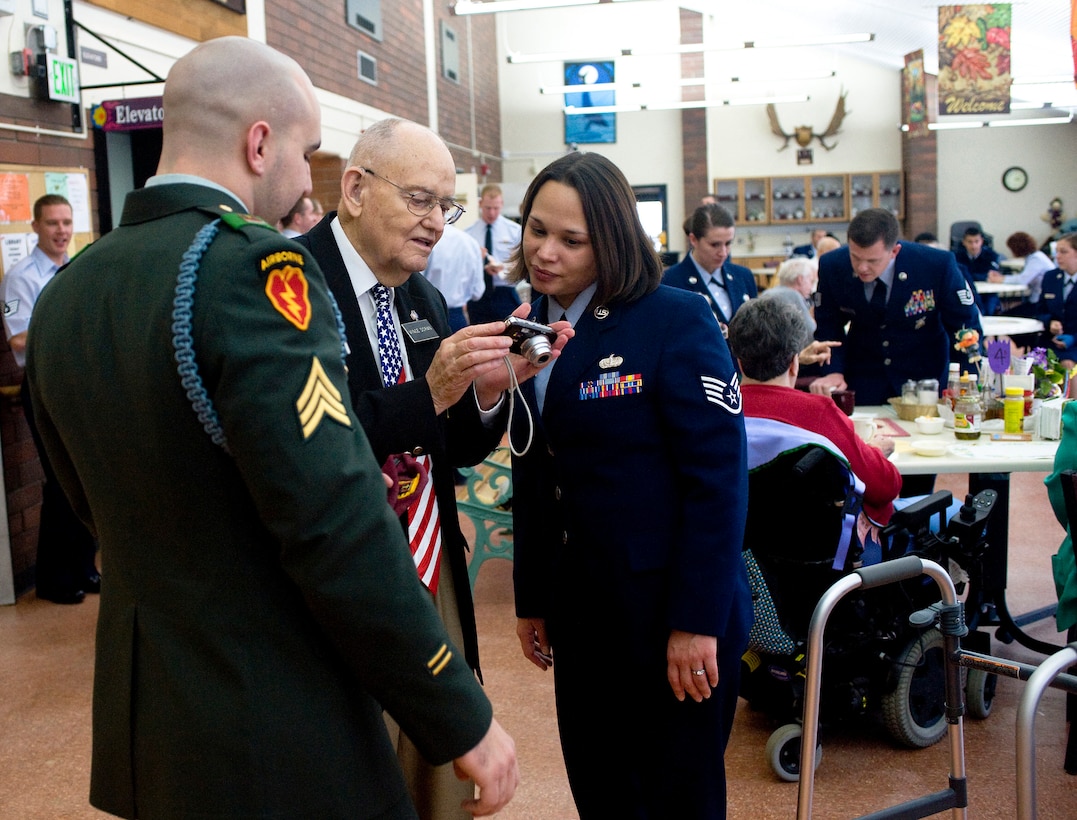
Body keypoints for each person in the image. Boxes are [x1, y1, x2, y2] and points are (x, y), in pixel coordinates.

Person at [24, 37, 518, 819]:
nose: (301, 176)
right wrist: (453, 707)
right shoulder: (254, 271)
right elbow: (333, 518)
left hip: (152, 715)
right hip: (274, 713)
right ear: (260, 143)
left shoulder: (69, 291)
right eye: (306, 150)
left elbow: (81, 496)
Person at [296, 117, 570, 820]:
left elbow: (448, 445)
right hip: (339, 572)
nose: (435, 225)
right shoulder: (289, 288)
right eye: (420, 199)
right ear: (354, 188)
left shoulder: (420, 299)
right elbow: (309, 443)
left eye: (444, 208)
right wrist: (434, 391)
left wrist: (486, 390)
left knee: (432, 771)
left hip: (429, 561)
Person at [508, 152, 752, 819]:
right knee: (604, 790)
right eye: (535, 230)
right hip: (582, 606)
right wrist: (531, 594)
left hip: (667, 611)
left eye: (569, 240)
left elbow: (717, 481)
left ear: (611, 240)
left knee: (676, 797)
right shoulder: (529, 322)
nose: (544, 251)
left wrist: (694, 621)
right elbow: (533, 466)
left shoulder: (673, 318)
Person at [729, 298, 903, 563]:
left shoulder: (720, 412)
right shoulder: (818, 412)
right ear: (794, 362)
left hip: (743, 563)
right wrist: (875, 450)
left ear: (739, 363)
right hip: (825, 563)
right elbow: (885, 486)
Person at [0, 194, 99, 604]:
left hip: (77, 381)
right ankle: (54, 579)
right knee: (59, 480)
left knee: (83, 478)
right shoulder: (22, 276)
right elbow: (18, 338)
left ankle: (84, 568)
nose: (61, 231)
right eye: (52, 223)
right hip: (42, 384)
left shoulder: (76, 269)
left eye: (66, 222)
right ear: (36, 227)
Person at [810, 208, 982, 406]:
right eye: (855, 257)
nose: (862, 267)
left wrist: (966, 382)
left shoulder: (936, 265)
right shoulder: (833, 265)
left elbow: (964, 327)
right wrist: (833, 372)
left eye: (872, 260)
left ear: (894, 251)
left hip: (925, 379)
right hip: (864, 378)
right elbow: (828, 327)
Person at [663, 202, 758, 333]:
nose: (723, 252)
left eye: (728, 243)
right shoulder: (670, 281)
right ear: (694, 240)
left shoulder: (743, 276)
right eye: (715, 245)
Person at [464, 184, 522, 324]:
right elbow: (464, 269)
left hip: (505, 293)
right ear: (480, 204)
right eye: (488, 208)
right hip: (479, 297)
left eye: (496, 208)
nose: (492, 213)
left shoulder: (515, 231)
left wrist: (502, 268)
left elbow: (522, 265)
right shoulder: (469, 234)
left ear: (501, 204)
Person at [421, 223, 487, 332]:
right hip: (457, 317)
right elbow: (477, 292)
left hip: (428, 314)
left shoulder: (427, 241)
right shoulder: (471, 242)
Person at [1036, 232, 1077, 371]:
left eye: (1063, 252)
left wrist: (1073, 338)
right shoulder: (1051, 277)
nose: (1057, 256)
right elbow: (1040, 309)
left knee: (1067, 364)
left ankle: (1070, 394)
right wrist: (1050, 321)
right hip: (1051, 340)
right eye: (1057, 251)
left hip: (1074, 342)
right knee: (1031, 361)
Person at [990, 230, 1054, 305]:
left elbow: (1023, 280)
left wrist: (1001, 279)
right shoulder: (1034, 257)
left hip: (1041, 302)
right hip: (1039, 298)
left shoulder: (1036, 259)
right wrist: (1002, 277)